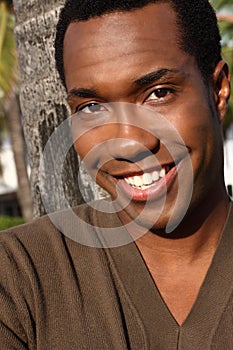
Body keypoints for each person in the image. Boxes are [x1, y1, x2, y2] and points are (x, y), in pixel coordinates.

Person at [0, 0, 232, 348]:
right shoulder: (20, 277)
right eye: (92, 107)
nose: (128, 143)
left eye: (158, 94)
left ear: (217, 90)